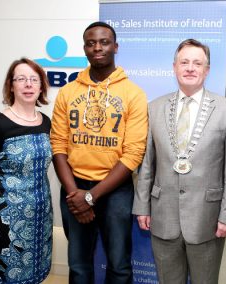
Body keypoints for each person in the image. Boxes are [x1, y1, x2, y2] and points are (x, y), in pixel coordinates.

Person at [133, 39, 226, 284]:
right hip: (163, 216)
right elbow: (147, 163)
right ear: (174, 67)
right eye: (184, 62)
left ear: (207, 70)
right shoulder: (154, 108)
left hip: (208, 218)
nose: (190, 68)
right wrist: (142, 205)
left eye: (197, 63)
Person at [50, 21, 148, 284]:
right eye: (91, 43)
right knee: (79, 265)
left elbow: (133, 154)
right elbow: (58, 145)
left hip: (115, 189)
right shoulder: (67, 93)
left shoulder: (133, 94)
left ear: (115, 46)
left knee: (119, 264)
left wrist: (91, 197)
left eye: (104, 42)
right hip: (74, 187)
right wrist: (75, 195)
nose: (98, 47)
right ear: (84, 49)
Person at [0, 58, 53, 283]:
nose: (28, 84)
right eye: (21, 79)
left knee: (37, 272)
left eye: (34, 79)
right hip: (7, 221)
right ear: (11, 85)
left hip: (41, 216)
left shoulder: (46, 122)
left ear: (41, 86)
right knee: (9, 276)